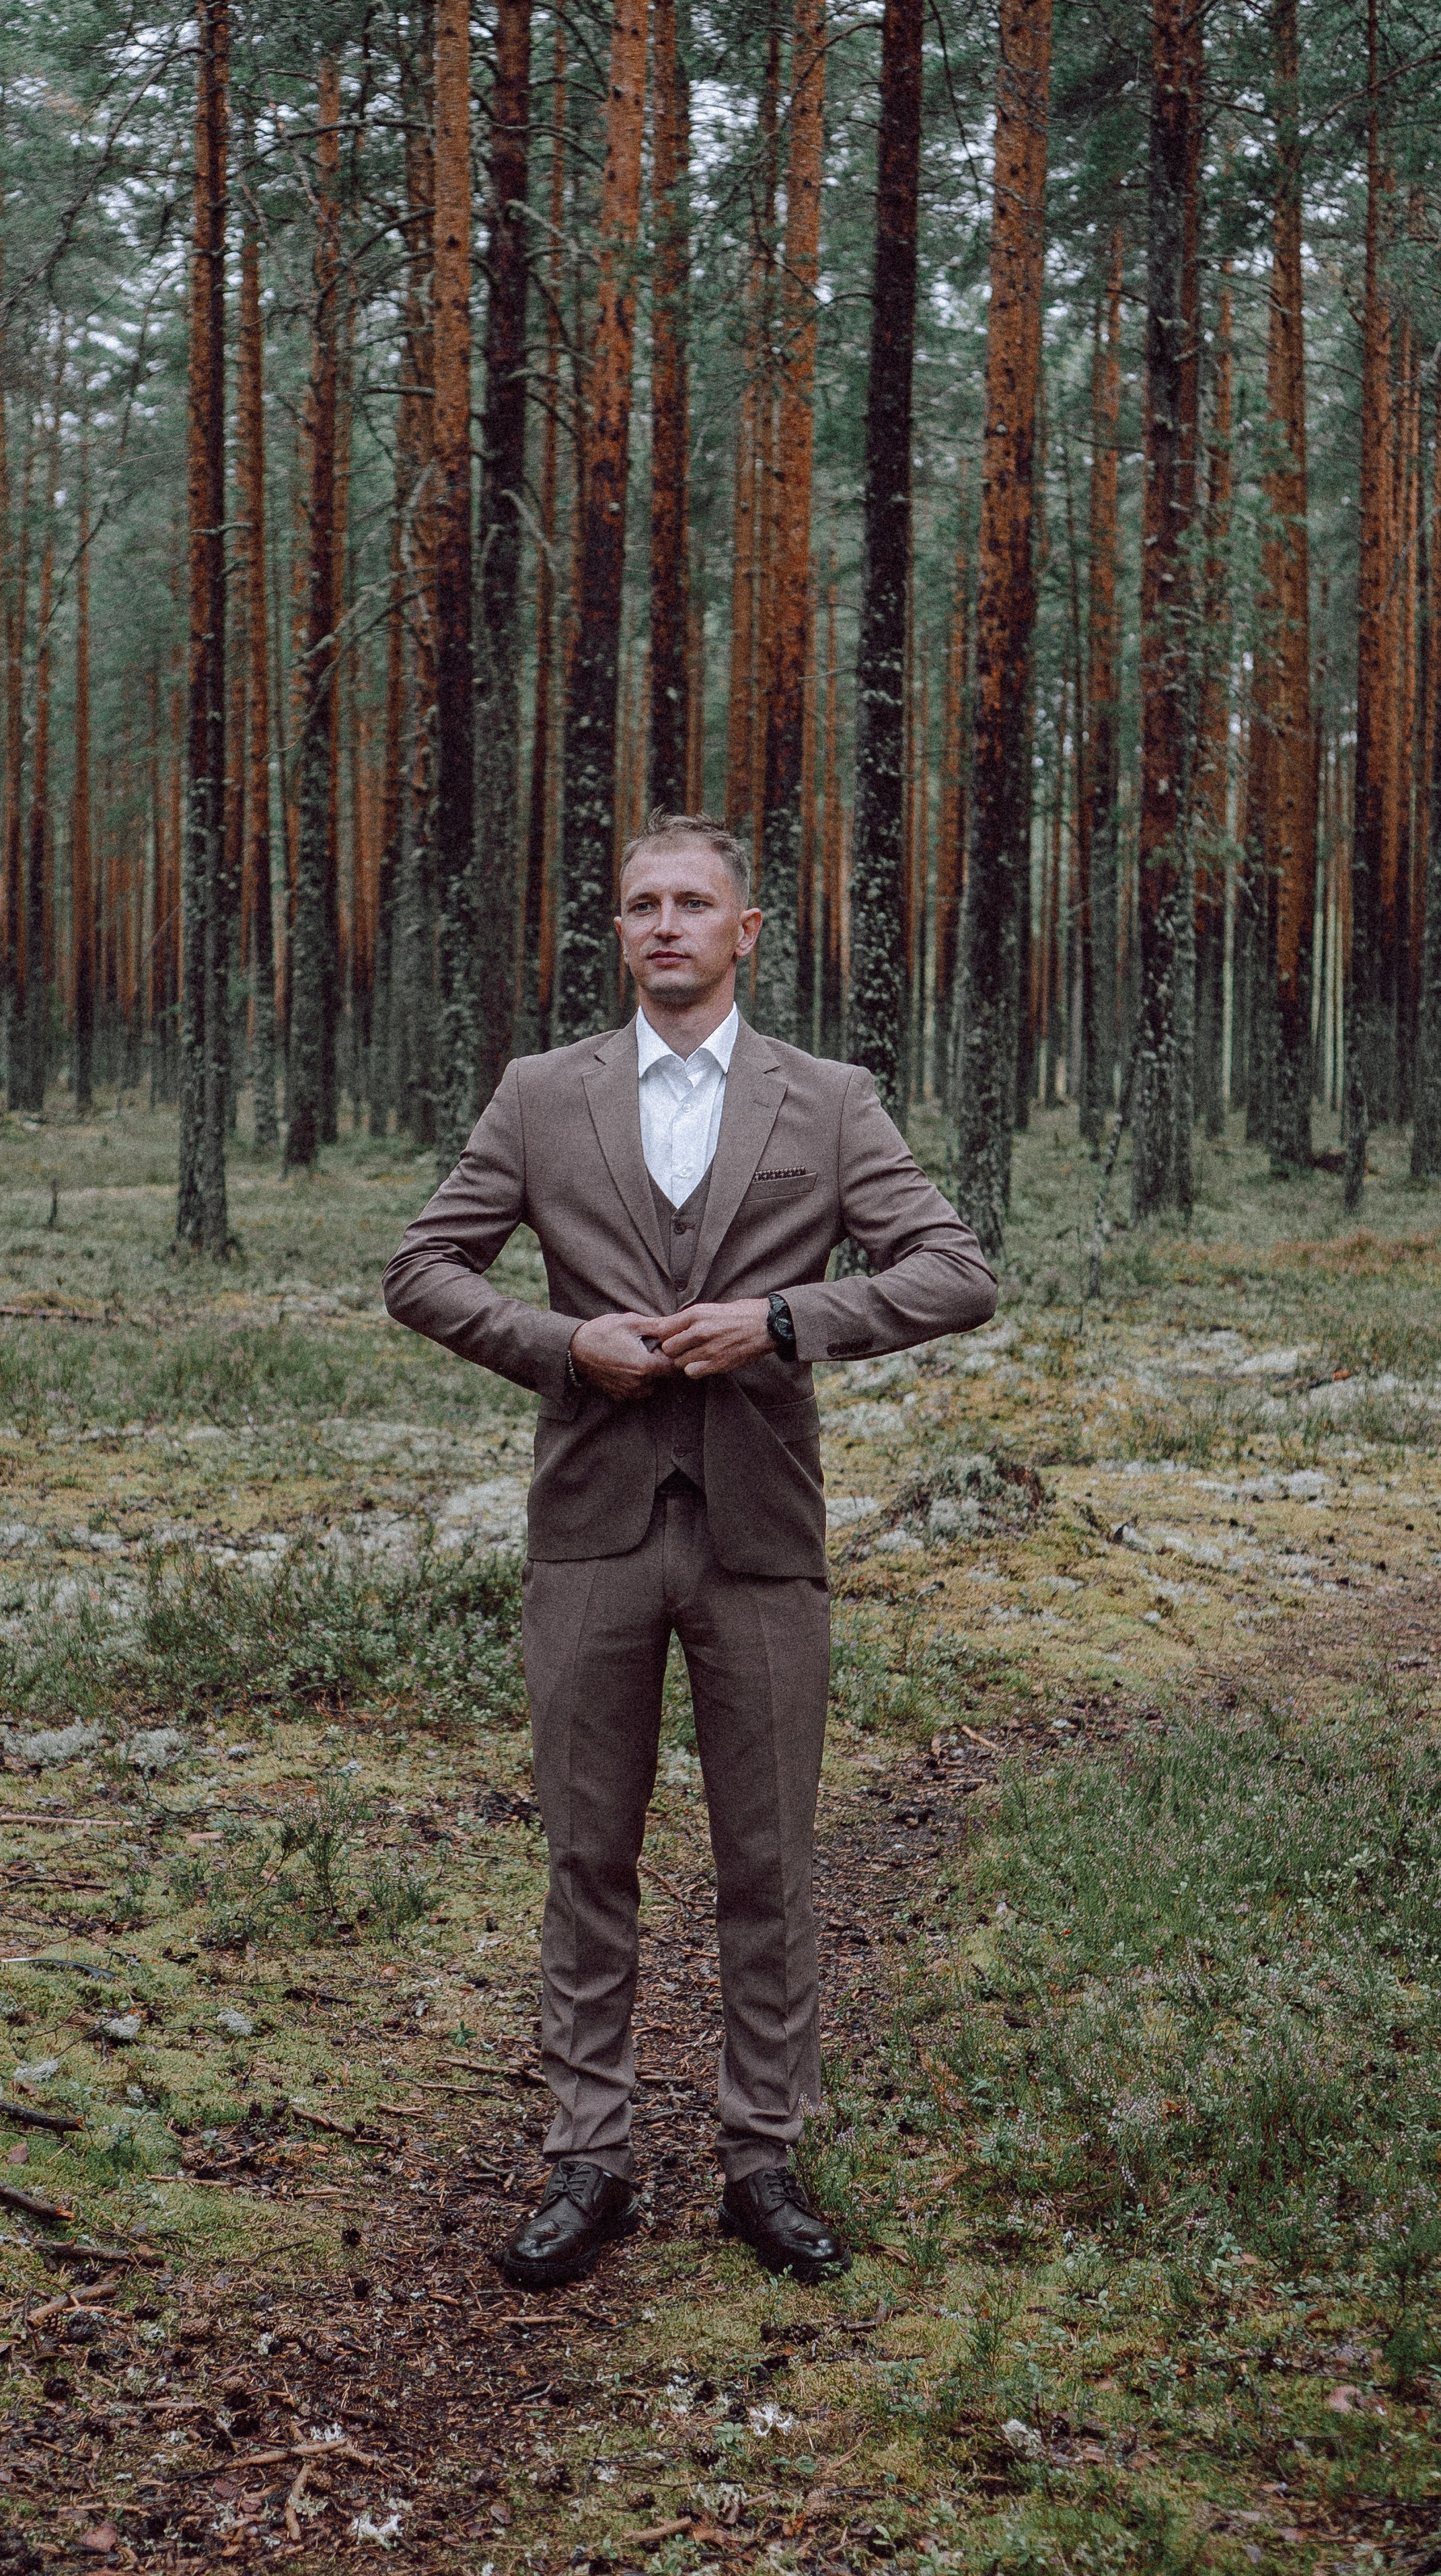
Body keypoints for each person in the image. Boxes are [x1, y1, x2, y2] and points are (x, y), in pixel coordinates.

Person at [381, 811, 996, 2287]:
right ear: (620, 932)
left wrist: (784, 1320)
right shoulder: (541, 1096)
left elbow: (955, 1272)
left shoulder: (828, 1101)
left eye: (693, 904)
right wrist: (559, 1345)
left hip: (759, 1534)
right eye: (642, 905)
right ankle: (586, 2160)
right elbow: (421, 1268)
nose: (666, 925)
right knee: (587, 1855)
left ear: (744, 932)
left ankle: (759, 2160)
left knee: (766, 1859)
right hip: (589, 1530)